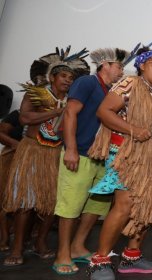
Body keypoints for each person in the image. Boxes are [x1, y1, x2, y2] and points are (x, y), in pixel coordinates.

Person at [86, 47, 152, 280]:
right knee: (125, 205)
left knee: (146, 206)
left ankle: (131, 257)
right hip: (127, 154)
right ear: (141, 65)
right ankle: (100, 260)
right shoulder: (129, 83)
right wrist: (134, 130)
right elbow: (104, 111)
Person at [2, 47, 89, 266]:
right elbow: (24, 118)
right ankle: (17, 247)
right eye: (63, 76)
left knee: (52, 203)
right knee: (25, 203)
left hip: (56, 155)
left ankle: (40, 243)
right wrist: (54, 112)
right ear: (52, 77)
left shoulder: (73, 100)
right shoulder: (36, 93)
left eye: (71, 77)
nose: (68, 80)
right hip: (33, 152)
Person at [52, 47, 128, 275]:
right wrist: (71, 149)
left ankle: (77, 246)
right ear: (105, 65)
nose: (122, 71)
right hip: (81, 154)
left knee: (97, 205)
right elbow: (70, 113)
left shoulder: (112, 90)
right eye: (119, 66)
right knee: (70, 206)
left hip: (102, 158)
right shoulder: (87, 82)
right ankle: (62, 254)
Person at [0, 106, 24, 252]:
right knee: (6, 199)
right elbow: (1, 133)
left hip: (38, 160)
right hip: (12, 158)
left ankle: (26, 236)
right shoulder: (17, 115)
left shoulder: (53, 111)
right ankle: (4, 236)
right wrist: (17, 145)